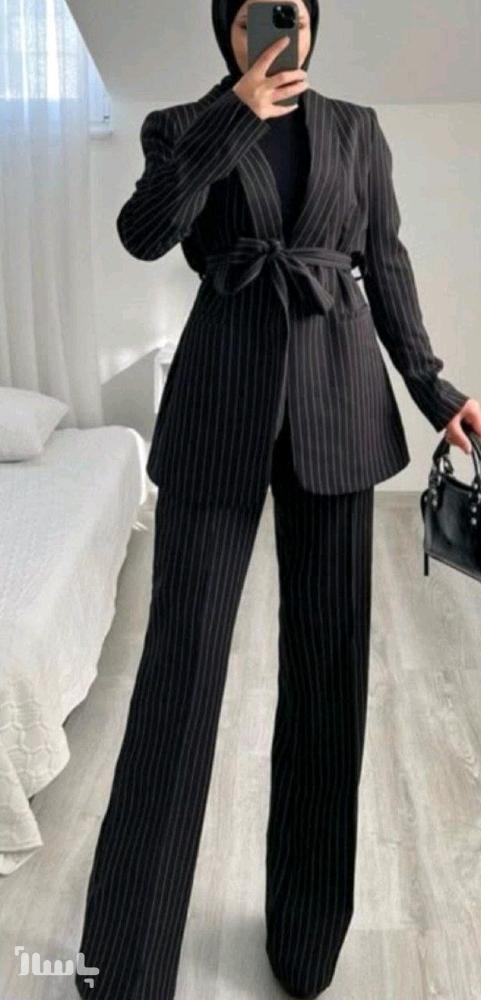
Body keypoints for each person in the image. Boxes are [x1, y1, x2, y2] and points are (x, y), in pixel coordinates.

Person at [75, 2, 480, 999]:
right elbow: (144, 232)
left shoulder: (356, 131)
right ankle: (122, 962)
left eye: (292, 12)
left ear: (312, 24)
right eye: (257, 15)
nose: (277, 29)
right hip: (218, 413)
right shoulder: (182, 125)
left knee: (328, 678)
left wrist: (437, 393)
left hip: (338, 414)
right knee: (178, 675)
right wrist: (236, 114)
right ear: (227, 29)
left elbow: (386, 267)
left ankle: (305, 942)